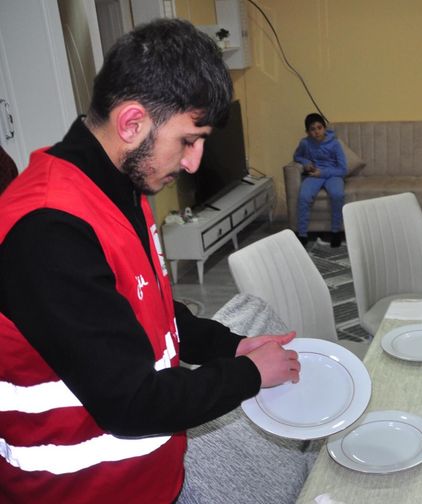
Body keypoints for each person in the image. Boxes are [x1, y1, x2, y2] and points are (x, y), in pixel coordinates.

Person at [0, 19, 301, 504]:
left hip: (149, 485)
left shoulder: (122, 188)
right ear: (132, 123)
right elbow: (131, 402)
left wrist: (233, 345)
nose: (194, 163)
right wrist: (248, 375)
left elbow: (151, 316)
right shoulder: (48, 229)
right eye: (188, 139)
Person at [293, 113, 347, 247]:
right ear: (307, 131)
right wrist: (305, 162)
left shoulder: (334, 143)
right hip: (313, 173)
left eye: (319, 127)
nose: (317, 132)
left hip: (332, 173)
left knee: (337, 194)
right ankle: (302, 234)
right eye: (312, 129)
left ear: (324, 128)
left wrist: (322, 173)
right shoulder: (305, 143)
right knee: (304, 195)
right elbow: (297, 156)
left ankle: (335, 232)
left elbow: (343, 169)